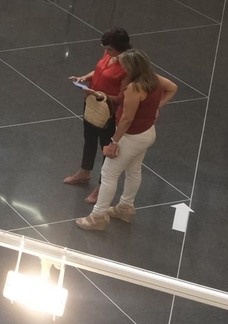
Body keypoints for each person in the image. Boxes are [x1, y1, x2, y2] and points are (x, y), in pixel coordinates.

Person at [76, 49, 178, 231]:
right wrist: (157, 107)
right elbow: (172, 87)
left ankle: (97, 217)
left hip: (130, 137)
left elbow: (126, 119)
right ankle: (125, 208)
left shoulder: (134, 88)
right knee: (134, 170)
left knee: (108, 174)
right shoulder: (154, 78)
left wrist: (113, 142)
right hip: (147, 134)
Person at [65, 28, 131, 204]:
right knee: (89, 139)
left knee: (105, 148)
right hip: (93, 104)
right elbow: (99, 70)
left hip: (108, 111)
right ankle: (84, 172)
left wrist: (98, 94)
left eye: (110, 49)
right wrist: (85, 77)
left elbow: (122, 98)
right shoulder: (109, 55)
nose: (107, 52)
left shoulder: (127, 67)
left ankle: (103, 185)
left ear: (120, 48)